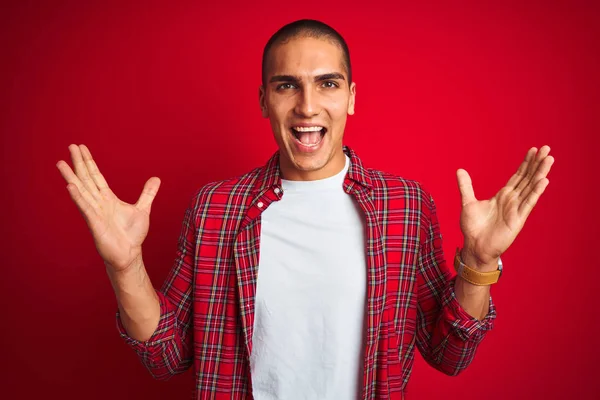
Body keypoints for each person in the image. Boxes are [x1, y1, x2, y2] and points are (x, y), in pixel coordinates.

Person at [56, 19, 554, 400]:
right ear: (263, 99)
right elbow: (165, 357)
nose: (308, 106)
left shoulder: (405, 206)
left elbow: (448, 354)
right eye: (287, 85)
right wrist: (124, 265)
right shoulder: (216, 208)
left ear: (352, 98)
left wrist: (481, 262)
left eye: (328, 84)